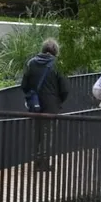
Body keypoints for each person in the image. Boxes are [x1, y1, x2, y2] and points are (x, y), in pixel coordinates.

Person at [21, 38, 69, 171]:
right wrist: (58, 101)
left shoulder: (31, 63)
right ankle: (43, 163)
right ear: (55, 51)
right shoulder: (57, 64)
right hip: (51, 105)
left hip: (35, 104)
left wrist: (31, 97)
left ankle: (37, 160)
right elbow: (65, 89)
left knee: (37, 132)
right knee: (48, 133)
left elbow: (24, 85)